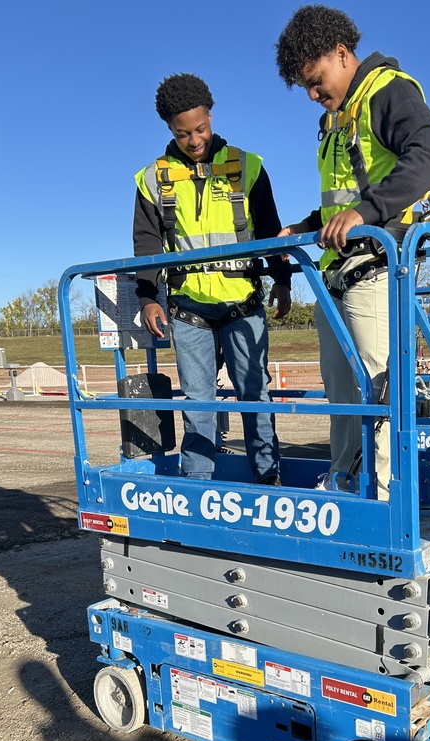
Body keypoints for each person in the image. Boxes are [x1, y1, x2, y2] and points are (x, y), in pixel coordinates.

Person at [275, 5, 430, 498]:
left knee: (377, 390)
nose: (313, 95)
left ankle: (383, 497)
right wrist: (308, 226)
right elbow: (343, 201)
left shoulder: (387, 91)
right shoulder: (336, 119)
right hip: (336, 275)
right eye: (305, 87)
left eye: (316, 80)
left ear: (342, 53)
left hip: (377, 268)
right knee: (344, 396)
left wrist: (367, 212)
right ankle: (344, 483)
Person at [133, 73, 291, 482]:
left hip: (244, 303)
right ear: (169, 128)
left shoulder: (247, 166)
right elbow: (147, 242)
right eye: (183, 133)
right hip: (189, 312)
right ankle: (197, 483)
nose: (194, 139)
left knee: (255, 395)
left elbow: (270, 230)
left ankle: (267, 476)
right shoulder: (152, 179)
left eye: (200, 128)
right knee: (198, 403)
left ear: (211, 116)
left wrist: (283, 280)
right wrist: (148, 296)